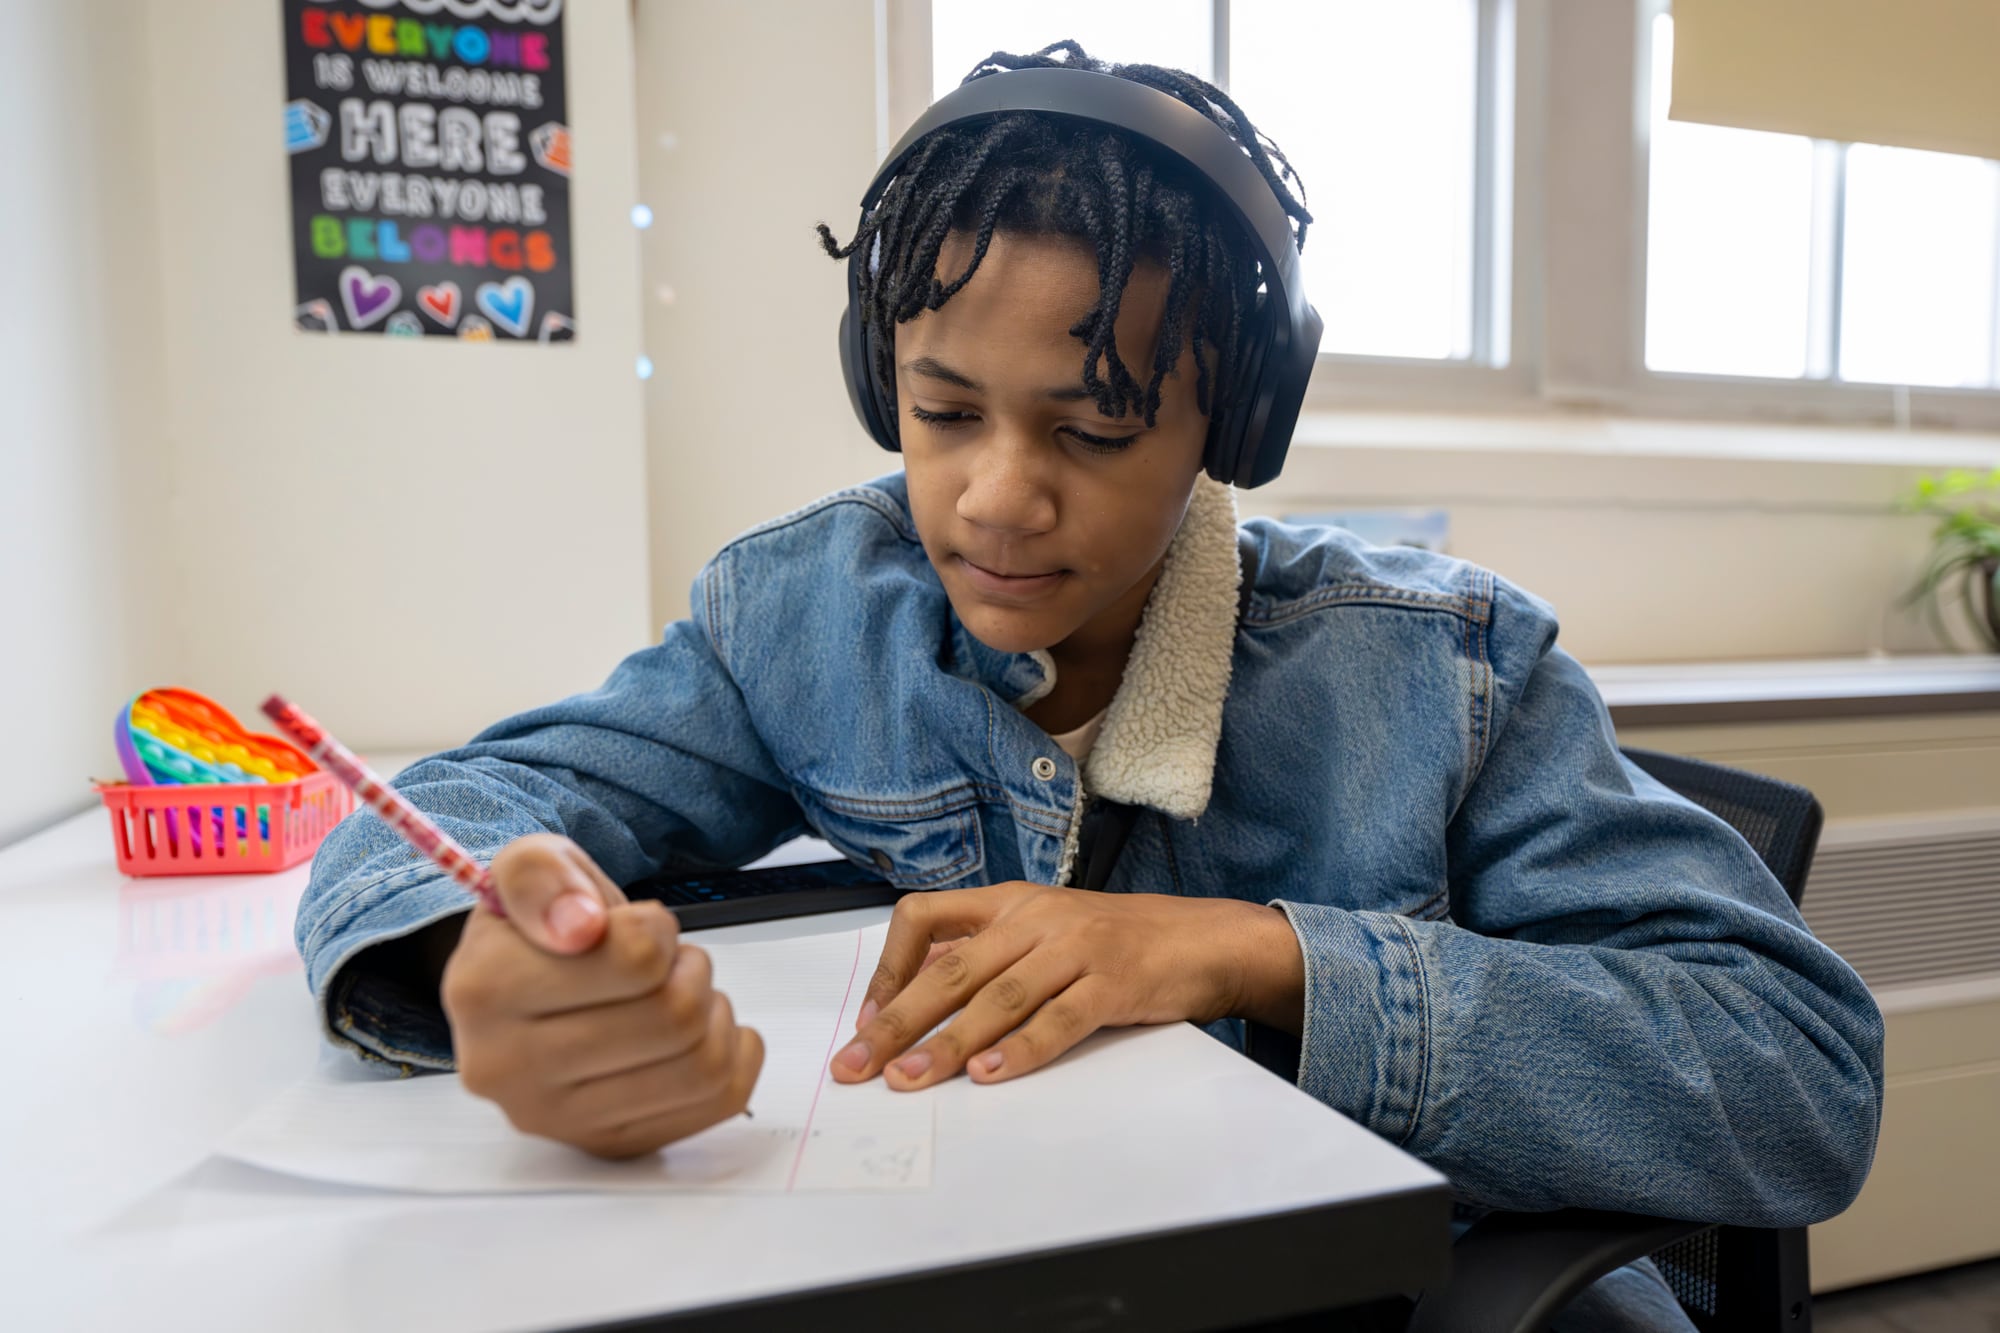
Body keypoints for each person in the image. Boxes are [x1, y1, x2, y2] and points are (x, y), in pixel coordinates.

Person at [297, 42, 1883, 1331]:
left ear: (1229, 428)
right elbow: (468, 806)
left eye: (1098, 429)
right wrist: (478, 955)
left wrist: (1259, 954)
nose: (995, 497)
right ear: (882, 386)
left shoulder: (1441, 668)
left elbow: (1797, 1074)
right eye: (941, 410)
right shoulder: (806, 614)